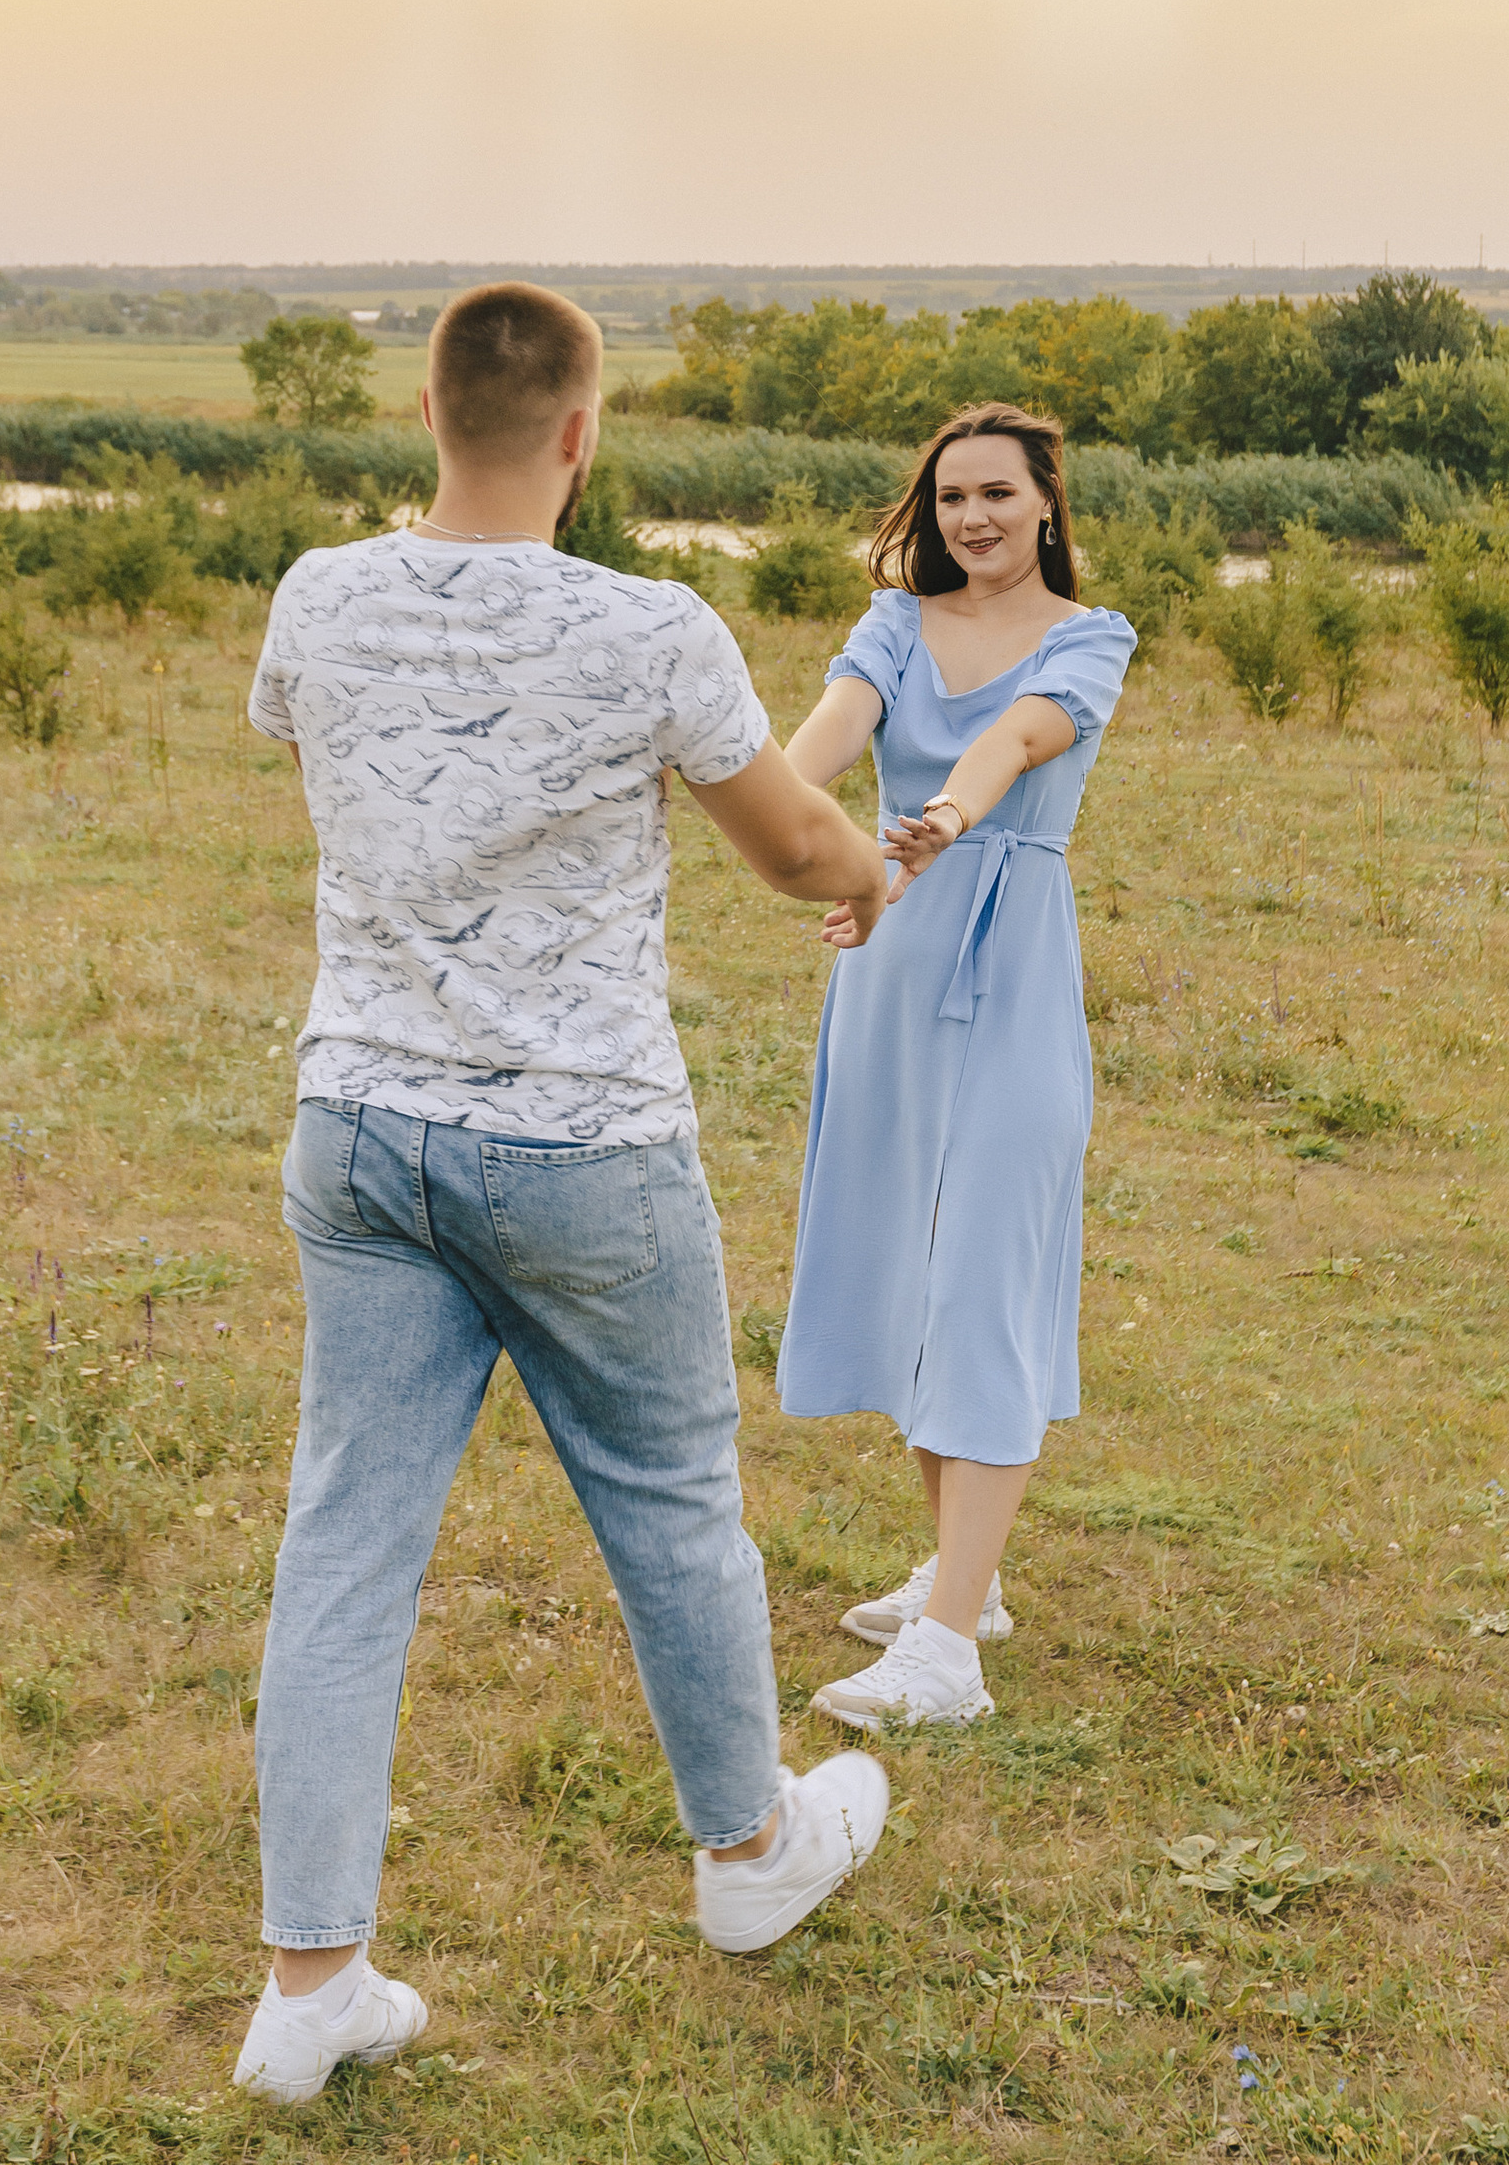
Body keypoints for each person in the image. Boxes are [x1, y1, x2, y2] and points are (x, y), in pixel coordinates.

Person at [232, 281, 898, 2107]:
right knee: (675, 1506)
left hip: (360, 1131)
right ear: (584, 434)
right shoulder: (652, 627)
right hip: (584, 1144)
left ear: (427, 416)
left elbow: (321, 763)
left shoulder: (319, 596)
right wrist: (874, 875)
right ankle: (749, 1859)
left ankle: (311, 1979)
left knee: (345, 1544)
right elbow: (794, 851)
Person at [774, 405, 1136, 1730]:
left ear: (1047, 502)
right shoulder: (891, 625)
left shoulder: (1090, 640)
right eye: (947, 499)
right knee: (912, 1272)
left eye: (995, 493)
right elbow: (817, 745)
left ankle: (947, 1658)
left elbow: (1012, 745)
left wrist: (925, 832)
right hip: (888, 963)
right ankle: (961, 1581)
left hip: (1008, 964)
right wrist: (741, 797)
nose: (969, 518)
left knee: (986, 1268)